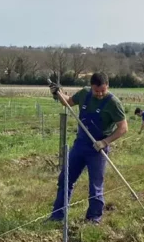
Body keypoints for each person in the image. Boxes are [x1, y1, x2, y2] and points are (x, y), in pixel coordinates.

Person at [49, 72, 128, 223]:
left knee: (95, 185)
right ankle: (57, 216)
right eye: (96, 91)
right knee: (65, 179)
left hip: (97, 148)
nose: (99, 94)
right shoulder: (85, 93)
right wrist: (57, 92)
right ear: (91, 87)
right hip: (80, 144)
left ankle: (93, 219)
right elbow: (68, 103)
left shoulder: (113, 103)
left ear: (108, 86)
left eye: (102, 91)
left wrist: (105, 142)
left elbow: (123, 128)